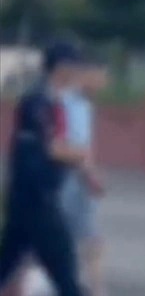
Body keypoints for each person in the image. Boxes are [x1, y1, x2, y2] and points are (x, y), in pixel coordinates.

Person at [0, 42, 87, 296]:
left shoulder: (51, 100)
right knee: (64, 267)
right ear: (60, 67)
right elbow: (50, 146)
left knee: (7, 260)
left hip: (27, 199)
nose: (77, 72)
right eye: (74, 66)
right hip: (37, 199)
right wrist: (77, 154)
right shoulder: (37, 100)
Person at [58, 57, 108, 296]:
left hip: (79, 180)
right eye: (101, 76)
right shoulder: (66, 103)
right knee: (55, 238)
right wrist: (91, 173)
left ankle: (96, 289)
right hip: (66, 180)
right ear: (87, 74)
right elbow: (73, 146)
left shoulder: (85, 105)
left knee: (91, 238)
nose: (104, 83)